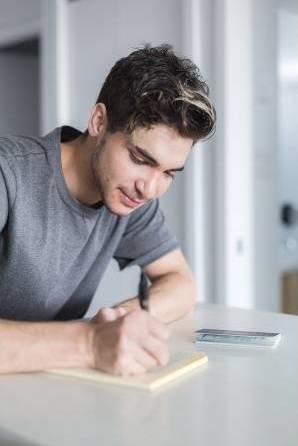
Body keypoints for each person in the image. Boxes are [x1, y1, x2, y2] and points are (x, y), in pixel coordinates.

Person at [0, 44, 215, 376]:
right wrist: (91, 343)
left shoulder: (129, 198)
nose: (150, 188)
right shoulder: (8, 173)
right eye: (141, 159)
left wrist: (121, 319)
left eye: (169, 173)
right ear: (99, 121)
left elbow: (181, 283)